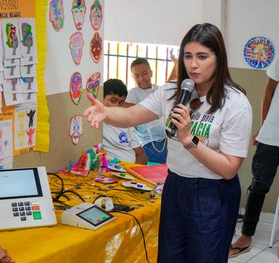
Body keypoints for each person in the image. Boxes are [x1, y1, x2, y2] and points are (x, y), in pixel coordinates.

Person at [84, 23, 252, 263]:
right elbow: (132, 115)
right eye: (188, 56)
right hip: (175, 186)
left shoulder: (235, 103)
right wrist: (106, 112)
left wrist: (189, 139)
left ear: (219, 58)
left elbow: (229, 168)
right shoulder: (172, 91)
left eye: (202, 57)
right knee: (170, 257)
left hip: (212, 193)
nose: (193, 65)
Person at [229, 54, 279, 257]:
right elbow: (269, 91)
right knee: (258, 186)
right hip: (272, 135)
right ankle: (246, 235)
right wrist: (264, 126)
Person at [125, 58, 168, 164]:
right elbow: (129, 112)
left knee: (181, 152)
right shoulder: (133, 94)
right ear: (133, 77)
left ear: (151, 73)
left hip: (165, 138)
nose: (141, 78)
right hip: (148, 142)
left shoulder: (158, 90)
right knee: (172, 158)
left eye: (144, 74)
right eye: (137, 75)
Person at [102, 79, 147, 165]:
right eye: (113, 101)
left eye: (121, 103)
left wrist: (135, 172)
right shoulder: (96, 123)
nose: (117, 106)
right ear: (101, 98)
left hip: (131, 170)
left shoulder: (126, 123)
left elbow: (141, 155)